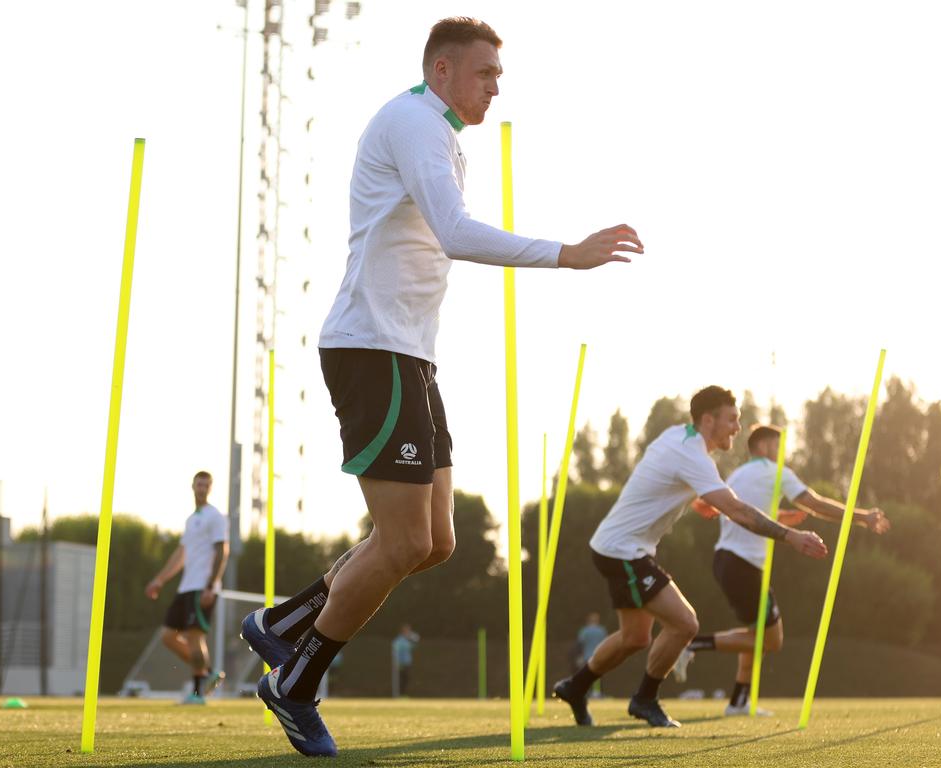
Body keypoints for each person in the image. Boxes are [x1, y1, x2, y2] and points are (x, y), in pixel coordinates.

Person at [240, 16, 644, 758]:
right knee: (402, 542)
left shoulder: (440, 132)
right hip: (372, 349)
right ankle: (293, 680)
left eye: (498, 74)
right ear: (442, 71)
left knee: (436, 544)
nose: (496, 86)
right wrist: (567, 254)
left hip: (410, 356)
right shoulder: (414, 121)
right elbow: (456, 233)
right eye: (485, 72)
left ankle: (288, 623)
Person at [553, 387, 828, 729]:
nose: (737, 428)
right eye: (732, 419)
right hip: (623, 551)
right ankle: (644, 699)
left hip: (616, 547)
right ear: (708, 419)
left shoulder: (678, 439)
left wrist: (703, 500)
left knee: (636, 638)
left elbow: (678, 484)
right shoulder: (692, 454)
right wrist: (791, 536)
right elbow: (737, 510)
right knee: (685, 623)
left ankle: (575, 687)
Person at [673, 424, 890, 715]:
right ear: (762, 447)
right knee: (772, 640)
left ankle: (738, 701)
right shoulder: (775, 473)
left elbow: (740, 512)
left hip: (726, 561)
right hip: (744, 565)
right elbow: (814, 503)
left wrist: (778, 516)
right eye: (777, 445)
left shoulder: (737, 475)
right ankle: (692, 645)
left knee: (756, 634)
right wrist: (863, 516)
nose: (781, 452)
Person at [144, 471, 228, 704]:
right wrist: (159, 580)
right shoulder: (192, 519)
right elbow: (181, 555)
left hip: (202, 586)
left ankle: (198, 693)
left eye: (206, 485)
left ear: (210, 488)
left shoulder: (215, 517)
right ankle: (209, 672)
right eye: (198, 484)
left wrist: (211, 586)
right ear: (192, 486)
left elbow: (223, 551)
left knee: (194, 637)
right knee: (168, 636)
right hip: (185, 587)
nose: (201, 488)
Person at [576, 613, 608, 697]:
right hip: (599, 655)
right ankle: (597, 692)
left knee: (587, 674)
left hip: (587, 656)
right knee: (598, 674)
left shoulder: (584, 630)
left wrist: (579, 656)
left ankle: (586, 692)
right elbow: (606, 643)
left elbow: (580, 644)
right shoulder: (602, 630)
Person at [391, 624, 420, 697]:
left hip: (407, 664)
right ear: (403, 631)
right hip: (400, 664)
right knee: (401, 680)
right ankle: (400, 695)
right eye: (407, 631)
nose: (408, 632)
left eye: (409, 631)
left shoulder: (408, 641)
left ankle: (403, 694)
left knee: (406, 679)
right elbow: (395, 652)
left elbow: (417, 639)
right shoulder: (399, 641)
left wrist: (411, 635)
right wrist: (397, 663)